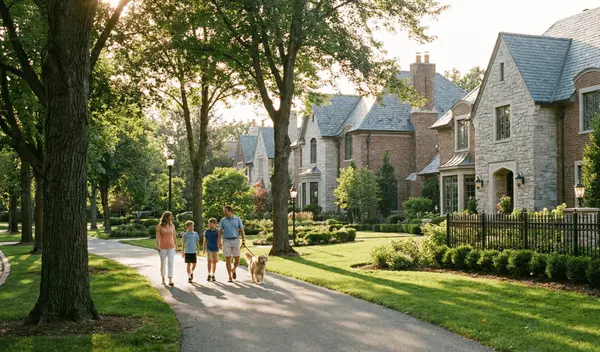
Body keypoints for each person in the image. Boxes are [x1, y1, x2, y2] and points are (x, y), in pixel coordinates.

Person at [218, 205, 245, 282]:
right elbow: (220, 231)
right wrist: (219, 241)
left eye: (225, 211)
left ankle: (234, 269)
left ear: (230, 211)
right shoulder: (223, 220)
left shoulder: (237, 219)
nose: (224, 213)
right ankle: (229, 276)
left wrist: (243, 240)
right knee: (228, 259)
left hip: (236, 240)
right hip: (226, 241)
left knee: (237, 259)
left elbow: (242, 230)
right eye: (224, 211)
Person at [156, 211, 177, 287]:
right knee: (163, 263)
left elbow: (174, 236)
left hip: (171, 247)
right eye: (170, 216)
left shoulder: (172, 225)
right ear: (166, 217)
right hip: (162, 247)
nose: (171, 217)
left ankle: (170, 280)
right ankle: (163, 279)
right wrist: (158, 246)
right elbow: (158, 237)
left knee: (170, 263)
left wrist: (176, 245)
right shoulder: (160, 226)